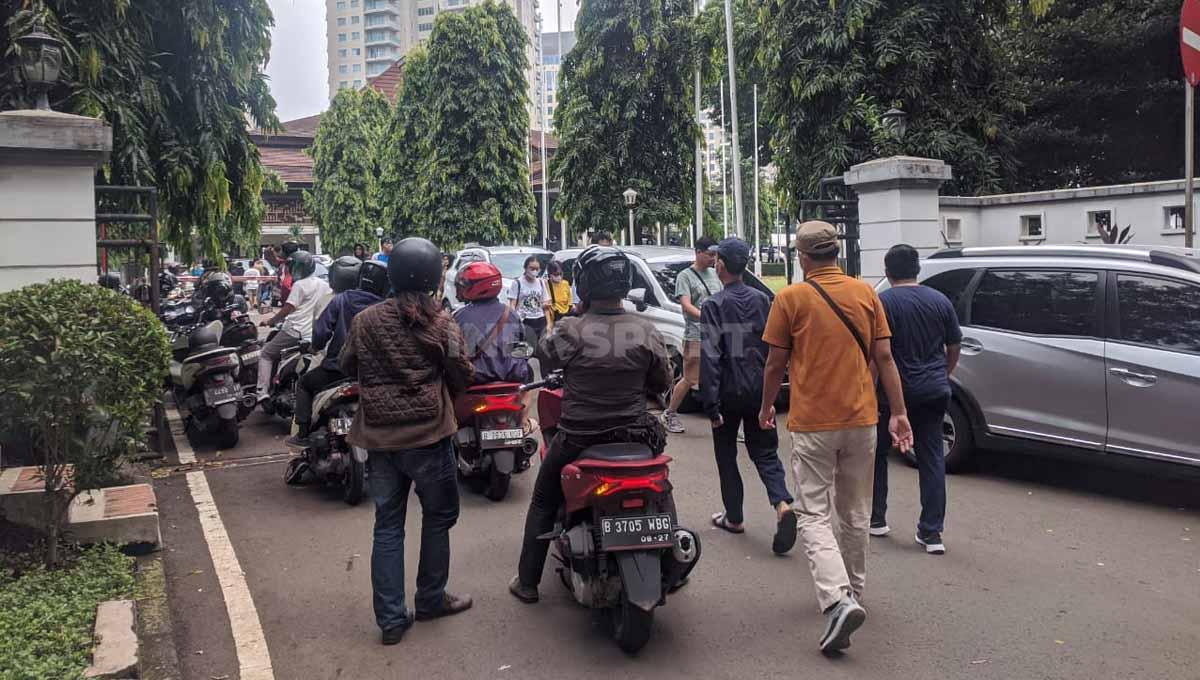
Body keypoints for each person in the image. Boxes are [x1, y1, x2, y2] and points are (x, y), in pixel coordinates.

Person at [759, 221, 913, 655]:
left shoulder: (790, 298)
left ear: (803, 258)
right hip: (863, 419)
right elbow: (884, 356)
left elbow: (774, 364)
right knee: (855, 510)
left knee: (812, 512)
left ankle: (837, 598)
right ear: (837, 253)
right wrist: (899, 412)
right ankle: (854, 592)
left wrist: (767, 405)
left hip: (813, 423)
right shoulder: (865, 293)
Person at [509, 246, 673, 604]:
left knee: (542, 500)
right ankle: (672, 564)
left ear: (583, 284)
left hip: (579, 436)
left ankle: (527, 583)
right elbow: (662, 380)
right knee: (663, 490)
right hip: (635, 433)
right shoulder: (644, 329)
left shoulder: (572, 328)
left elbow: (546, 355)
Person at [339, 237, 474, 645]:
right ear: (435, 278)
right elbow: (462, 374)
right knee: (438, 516)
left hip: (380, 441)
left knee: (388, 526)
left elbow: (345, 363)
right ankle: (431, 598)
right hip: (429, 438)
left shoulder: (365, 320)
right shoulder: (443, 323)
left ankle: (392, 620)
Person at [699, 237, 796, 553]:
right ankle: (782, 504)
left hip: (727, 392)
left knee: (726, 455)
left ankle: (735, 517)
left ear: (721, 265)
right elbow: (773, 347)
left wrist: (711, 405)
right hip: (758, 388)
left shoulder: (713, 305)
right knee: (765, 451)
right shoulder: (761, 301)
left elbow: (711, 356)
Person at [869, 245, 962, 555]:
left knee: (878, 453)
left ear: (887, 271)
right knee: (932, 458)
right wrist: (943, 372)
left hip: (893, 395)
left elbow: (878, 353)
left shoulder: (883, 303)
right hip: (935, 390)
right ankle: (932, 532)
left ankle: (877, 518)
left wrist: (869, 388)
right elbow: (954, 345)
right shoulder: (940, 300)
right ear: (917, 270)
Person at [286, 256, 377, 450]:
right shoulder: (383, 302)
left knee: (304, 383)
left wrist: (315, 347)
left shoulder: (338, 300)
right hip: (371, 371)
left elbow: (320, 333)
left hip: (338, 367)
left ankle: (302, 432)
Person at [662, 236, 721, 434]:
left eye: (715, 255)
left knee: (722, 377)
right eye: (710, 254)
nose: (713, 259)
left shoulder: (715, 274)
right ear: (698, 252)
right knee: (689, 378)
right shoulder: (685, 276)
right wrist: (707, 317)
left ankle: (726, 419)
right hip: (696, 335)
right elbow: (686, 306)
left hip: (717, 336)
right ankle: (670, 413)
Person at [257, 251, 331, 403]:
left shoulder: (299, 285)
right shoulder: (325, 285)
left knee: (266, 354)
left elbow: (287, 309)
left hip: (295, 330)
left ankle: (262, 391)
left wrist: (270, 321)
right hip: (314, 334)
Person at [452, 262, 529, 384]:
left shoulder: (459, 317)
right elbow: (522, 353)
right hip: (510, 387)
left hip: (473, 386)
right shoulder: (512, 314)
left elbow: (452, 357)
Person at [509, 255, 553, 342]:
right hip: (524, 321)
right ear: (525, 268)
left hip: (540, 320)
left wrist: (549, 325)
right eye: (532, 268)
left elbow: (547, 306)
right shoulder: (517, 283)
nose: (534, 271)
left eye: (537, 269)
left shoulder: (541, 282)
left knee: (541, 349)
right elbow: (512, 305)